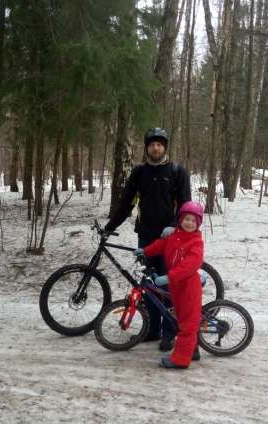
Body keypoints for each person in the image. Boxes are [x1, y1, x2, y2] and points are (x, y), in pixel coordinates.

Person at [104, 127, 191, 352]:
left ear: (165, 147)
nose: (156, 147)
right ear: (147, 148)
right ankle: (153, 330)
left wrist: (174, 227)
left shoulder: (176, 172)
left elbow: (185, 206)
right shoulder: (139, 172)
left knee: (169, 286)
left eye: (160, 144)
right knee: (149, 286)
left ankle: (170, 332)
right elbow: (126, 204)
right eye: (152, 144)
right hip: (146, 238)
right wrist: (109, 227)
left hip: (171, 239)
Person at [135, 201, 204, 369]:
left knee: (188, 323)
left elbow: (191, 264)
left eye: (194, 221)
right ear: (180, 219)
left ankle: (180, 360)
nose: (189, 223)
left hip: (188, 284)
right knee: (181, 319)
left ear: (198, 224)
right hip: (176, 285)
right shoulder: (174, 236)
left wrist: (168, 277)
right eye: (187, 219)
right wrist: (145, 251)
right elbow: (161, 245)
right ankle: (193, 349)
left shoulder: (196, 243)